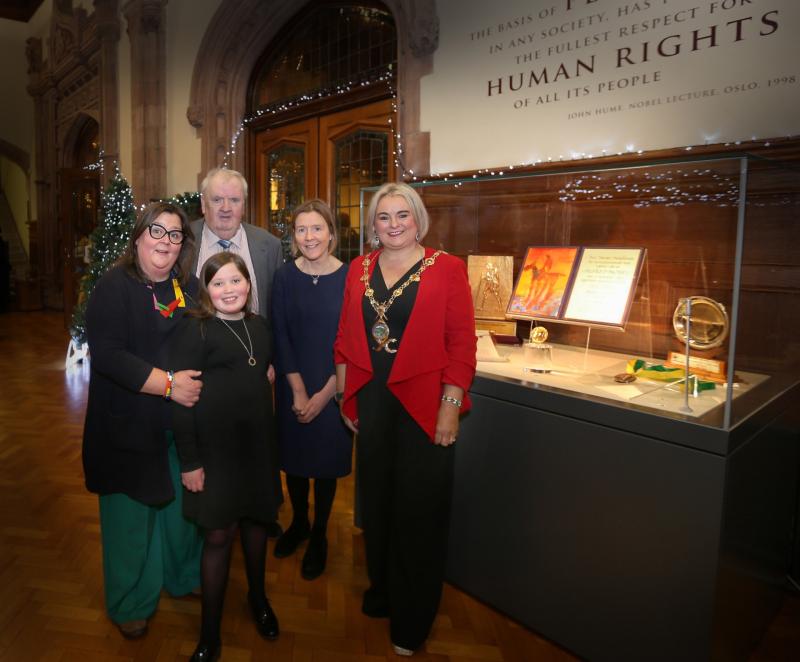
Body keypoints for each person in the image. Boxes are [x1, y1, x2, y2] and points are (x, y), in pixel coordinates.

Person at [333, 182, 477, 656]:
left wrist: (450, 406)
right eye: (383, 217)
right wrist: (344, 399)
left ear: (418, 219)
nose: (393, 225)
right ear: (372, 224)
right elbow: (345, 339)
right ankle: (383, 592)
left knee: (419, 513)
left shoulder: (447, 268)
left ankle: (412, 620)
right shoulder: (359, 268)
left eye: (402, 215)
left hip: (425, 403)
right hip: (372, 402)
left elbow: (462, 344)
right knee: (377, 507)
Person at [81, 201, 203, 639]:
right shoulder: (113, 287)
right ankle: (130, 600)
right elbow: (110, 356)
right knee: (130, 521)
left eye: (175, 235)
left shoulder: (185, 288)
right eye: (157, 231)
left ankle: (183, 576)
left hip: (177, 426)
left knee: (180, 512)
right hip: (127, 426)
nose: (165, 242)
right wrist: (170, 385)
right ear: (137, 238)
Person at [171, 252, 281, 662]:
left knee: (256, 525)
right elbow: (182, 402)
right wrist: (189, 461)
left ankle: (259, 600)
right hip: (214, 454)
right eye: (218, 283)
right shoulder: (196, 331)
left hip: (258, 448)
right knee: (219, 536)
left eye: (236, 281)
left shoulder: (260, 327)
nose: (229, 290)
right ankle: (209, 634)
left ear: (249, 285)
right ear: (207, 291)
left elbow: (262, 373)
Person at [191, 166, 284, 536]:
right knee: (215, 454)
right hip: (205, 371)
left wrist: (272, 358)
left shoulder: (268, 245)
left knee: (255, 448)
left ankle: (257, 511)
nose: (226, 208)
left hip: (257, 368)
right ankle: (215, 517)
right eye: (217, 199)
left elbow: (276, 309)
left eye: (234, 200)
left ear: (245, 204)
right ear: (203, 204)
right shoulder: (184, 241)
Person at [271, 200, 352, 580]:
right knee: (298, 463)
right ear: (294, 237)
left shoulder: (351, 278)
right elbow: (280, 336)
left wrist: (325, 396)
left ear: (331, 234)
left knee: (326, 467)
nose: (309, 236)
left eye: (317, 228)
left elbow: (354, 343)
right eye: (301, 230)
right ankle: (300, 522)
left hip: (336, 386)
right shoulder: (284, 277)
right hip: (293, 384)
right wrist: (300, 392)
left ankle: (319, 534)